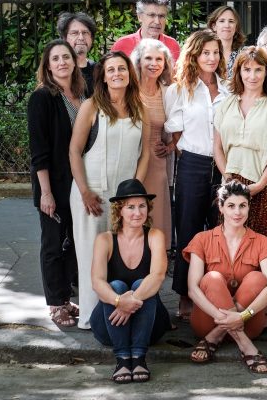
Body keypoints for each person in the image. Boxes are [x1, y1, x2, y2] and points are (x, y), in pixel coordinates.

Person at [69, 51, 150, 329]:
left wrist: (134, 196)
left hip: (123, 197)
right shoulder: (91, 107)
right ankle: (91, 319)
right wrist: (84, 192)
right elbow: (75, 151)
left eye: (122, 69)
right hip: (91, 192)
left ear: (130, 74)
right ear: (103, 76)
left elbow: (145, 155)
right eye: (111, 70)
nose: (117, 73)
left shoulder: (140, 108)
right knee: (92, 255)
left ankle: (116, 316)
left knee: (118, 256)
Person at [164, 29, 229, 321]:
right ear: (194, 55)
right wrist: (185, 154)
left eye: (216, 52)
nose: (212, 58)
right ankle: (185, 294)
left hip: (223, 165)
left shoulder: (228, 86)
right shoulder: (180, 88)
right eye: (206, 53)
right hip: (193, 163)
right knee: (189, 230)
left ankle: (218, 291)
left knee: (220, 231)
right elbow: (172, 130)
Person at [184, 181, 267, 374]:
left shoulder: (261, 241)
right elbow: (192, 289)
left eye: (243, 205)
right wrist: (224, 318)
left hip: (248, 322)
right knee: (212, 278)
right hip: (208, 321)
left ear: (249, 207)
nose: (237, 212)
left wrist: (242, 316)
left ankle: (214, 338)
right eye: (231, 206)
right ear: (221, 207)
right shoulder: (202, 239)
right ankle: (245, 346)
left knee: (259, 279)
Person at [213, 46, 267, 251]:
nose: (252, 75)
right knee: (233, 244)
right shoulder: (226, 105)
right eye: (247, 70)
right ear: (239, 72)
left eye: (258, 69)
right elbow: (217, 148)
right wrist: (228, 178)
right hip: (233, 183)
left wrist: (260, 184)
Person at [27, 39, 86, 327]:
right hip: (53, 183)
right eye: (55, 59)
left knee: (74, 242)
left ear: (75, 61)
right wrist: (46, 192)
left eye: (66, 57)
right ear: (47, 65)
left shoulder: (82, 93)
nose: (62, 62)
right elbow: (39, 150)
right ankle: (55, 303)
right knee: (53, 243)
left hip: (80, 181)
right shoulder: (42, 98)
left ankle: (66, 297)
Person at [90, 179, 170, 384]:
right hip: (109, 326)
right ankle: (123, 359)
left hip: (149, 326)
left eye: (142, 206)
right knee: (115, 286)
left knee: (142, 283)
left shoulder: (155, 236)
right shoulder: (105, 240)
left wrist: (129, 302)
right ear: (119, 210)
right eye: (131, 207)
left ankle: (139, 357)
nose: (137, 212)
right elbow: (97, 282)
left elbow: (158, 276)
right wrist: (119, 301)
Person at [131, 39, 175, 249]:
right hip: (130, 161)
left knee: (155, 215)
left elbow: (178, 128)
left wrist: (170, 146)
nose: (154, 63)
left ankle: (156, 263)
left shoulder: (168, 92)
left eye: (159, 59)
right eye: (148, 58)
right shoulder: (129, 91)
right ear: (139, 61)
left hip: (157, 164)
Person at [111, 0, 181, 63]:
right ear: (139, 17)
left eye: (161, 16)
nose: (157, 21)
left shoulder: (172, 45)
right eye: (151, 15)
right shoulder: (122, 45)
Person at [57, 12, 97, 96]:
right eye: (74, 33)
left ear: (91, 38)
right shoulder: (58, 71)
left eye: (85, 33)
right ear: (64, 38)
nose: (81, 38)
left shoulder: (99, 70)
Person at [207, 5, 245, 78]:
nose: (227, 25)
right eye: (222, 21)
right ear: (214, 26)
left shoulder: (243, 54)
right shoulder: (205, 54)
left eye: (231, 21)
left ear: (236, 27)